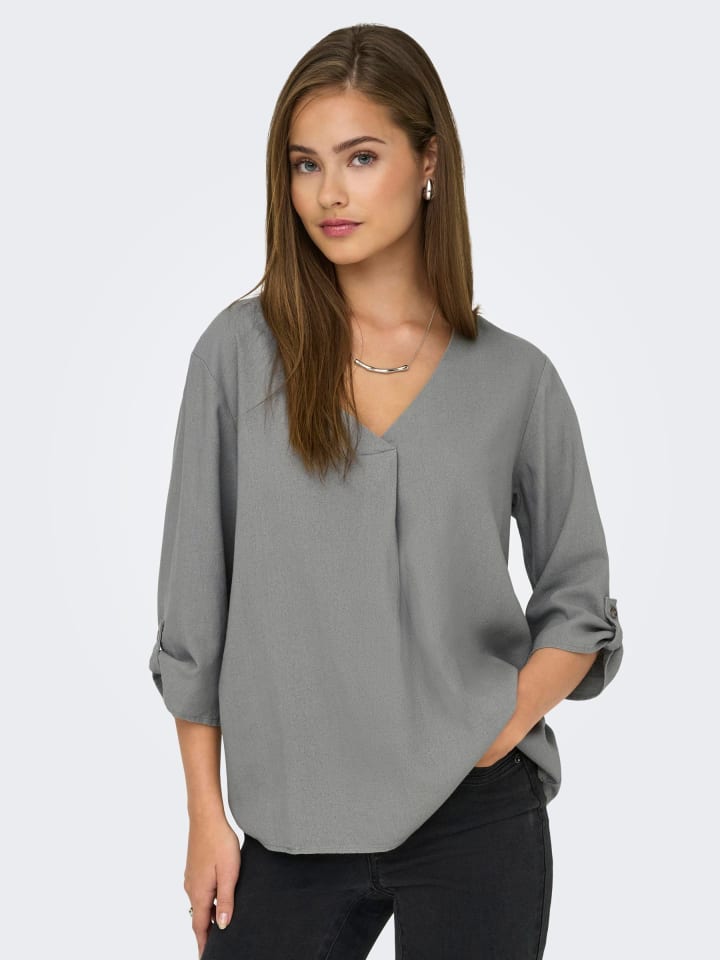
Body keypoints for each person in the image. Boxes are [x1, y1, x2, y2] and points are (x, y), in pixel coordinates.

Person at [148, 22, 624, 960]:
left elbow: (579, 603)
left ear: (428, 161)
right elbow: (193, 610)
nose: (329, 193)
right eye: (306, 164)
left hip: (476, 814)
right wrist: (205, 815)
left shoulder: (516, 381)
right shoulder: (238, 357)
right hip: (291, 824)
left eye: (360, 157)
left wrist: (496, 730)